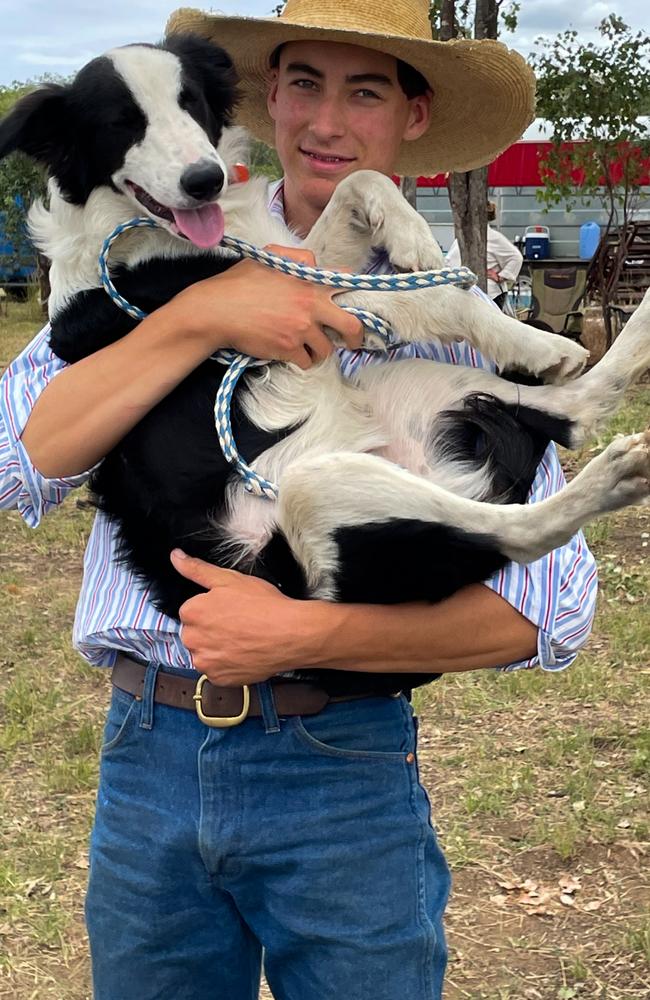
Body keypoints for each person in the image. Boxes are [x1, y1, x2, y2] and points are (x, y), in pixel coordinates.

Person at [0, 2, 598, 997]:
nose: (325, 120)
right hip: (149, 753)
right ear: (263, 98)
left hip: (341, 769)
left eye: (363, 90)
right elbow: (20, 462)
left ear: (412, 116)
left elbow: (548, 612)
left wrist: (302, 635)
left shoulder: (449, 320)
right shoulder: (142, 252)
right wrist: (200, 314)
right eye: (304, 83)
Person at [446, 201, 524, 310]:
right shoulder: (464, 236)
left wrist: (501, 276)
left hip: (490, 294)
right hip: (466, 292)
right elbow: (449, 262)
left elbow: (516, 257)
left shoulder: (493, 237)